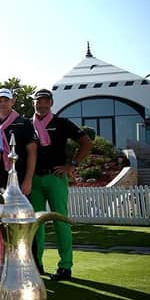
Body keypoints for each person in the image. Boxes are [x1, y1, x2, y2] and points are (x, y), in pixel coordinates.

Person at [30, 88, 92, 281]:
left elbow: (86, 142)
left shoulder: (62, 123)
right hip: (33, 179)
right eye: (38, 101)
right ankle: (35, 264)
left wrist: (71, 165)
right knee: (34, 225)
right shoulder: (27, 124)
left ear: (51, 103)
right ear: (33, 103)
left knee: (60, 221)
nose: (41, 104)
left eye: (45, 101)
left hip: (56, 177)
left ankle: (65, 266)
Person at [0, 88, 37, 194]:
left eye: (6, 100)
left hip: (19, 177)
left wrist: (28, 180)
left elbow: (32, 153)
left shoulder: (24, 123)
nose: (3, 104)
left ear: (13, 101)